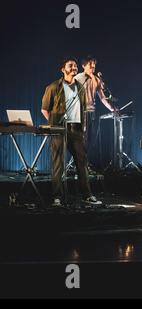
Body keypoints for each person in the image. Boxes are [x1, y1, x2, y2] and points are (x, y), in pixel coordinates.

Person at [41, 57, 102, 206]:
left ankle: (87, 195)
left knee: (82, 162)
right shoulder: (54, 87)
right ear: (63, 69)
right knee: (58, 164)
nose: (74, 68)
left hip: (76, 129)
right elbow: (44, 109)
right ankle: (57, 197)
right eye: (71, 66)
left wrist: (84, 127)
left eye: (75, 66)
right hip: (60, 128)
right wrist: (54, 124)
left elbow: (83, 110)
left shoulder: (80, 87)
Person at [74, 56, 117, 163]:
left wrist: (112, 108)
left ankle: (84, 164)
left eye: (94, 64)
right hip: (80, 112)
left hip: (91, 113)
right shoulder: (77, 78)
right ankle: (79, 164)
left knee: (89, 140)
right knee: (81, 139)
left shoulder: (96, 80)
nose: (93, 66)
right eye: (90, 64)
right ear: (83, 66)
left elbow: (102, 97)